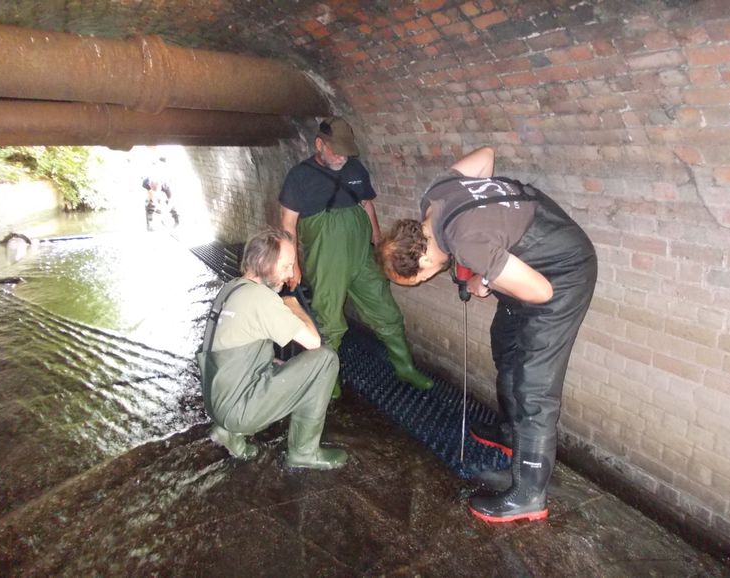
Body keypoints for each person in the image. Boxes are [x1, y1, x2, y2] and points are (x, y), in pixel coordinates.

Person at [377, 147, 597, 523]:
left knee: (534, 386)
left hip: (562, 275)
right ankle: (512, 434)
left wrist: (485, 279)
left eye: (420, 279)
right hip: (528, 265)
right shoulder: (435, 197)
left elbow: (541, 293)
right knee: (505, 344)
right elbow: (485, 157)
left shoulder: (468, 243)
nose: (427, 280)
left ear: (425, 260)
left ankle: (529, 494)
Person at [279, 116, 432, 398]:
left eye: (346, 152)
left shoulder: (355, 168)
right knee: (328, 320)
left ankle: (405, 368)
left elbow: (366, 204)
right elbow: (288, 223)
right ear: (319, 144)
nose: (341, 157)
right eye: (335, 151)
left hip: (362, 254)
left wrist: (376, 238)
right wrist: (292, 265)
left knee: (386, 310)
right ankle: (327, 376)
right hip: (327, 258)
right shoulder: (299, 177)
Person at [197, 227, 347, 470]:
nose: (290, 274)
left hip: (217, 402)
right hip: (238, 409)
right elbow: (313, 342)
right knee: (325, 360)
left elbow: (237, 352)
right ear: (261, 262)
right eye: (286, 266)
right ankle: (304, 453)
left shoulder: (232, 288)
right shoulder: (261, 298)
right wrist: (293, 305)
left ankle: (228, 432)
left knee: (285, 364)